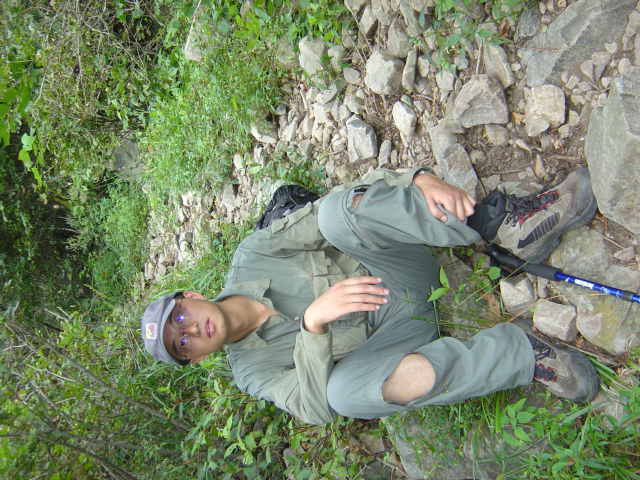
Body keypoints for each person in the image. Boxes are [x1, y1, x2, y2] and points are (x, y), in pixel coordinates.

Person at [141, 167, 600, 425]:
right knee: (342, 396)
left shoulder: (253, 256)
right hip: (399, 337)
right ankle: (523, 354)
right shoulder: (252, 372)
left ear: (192, 295)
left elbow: (336, 205)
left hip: (402, 264)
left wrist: (417, 179)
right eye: (183, 345)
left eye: (179, 318)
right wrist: (312, 327)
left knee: (334, 216)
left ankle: (505, 227)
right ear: (195, 358)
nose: (191, 331)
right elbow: (313, 409)